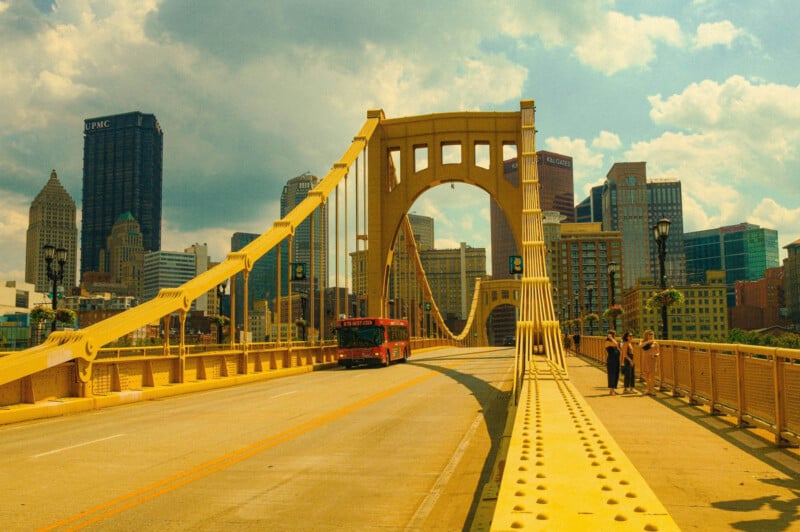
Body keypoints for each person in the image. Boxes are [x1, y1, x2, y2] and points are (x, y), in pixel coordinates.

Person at [640, 329, 660, 395]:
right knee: (646, 376)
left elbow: (658, 352)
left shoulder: (655, 343)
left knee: (652, 376)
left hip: (652, 360)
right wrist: (648, 342)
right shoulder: (642, 341)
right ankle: (649, 390)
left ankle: (652, 391)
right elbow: (640, 346)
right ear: (646, 335)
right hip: (645, 360)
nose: (651, 335)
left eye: (652, 334)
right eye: (650, 334)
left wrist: (656, 355)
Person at [604, 330, 620, 395]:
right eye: (614, 335)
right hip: (611, 360)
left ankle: (613, 389)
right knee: (612, 374)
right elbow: (616, 344)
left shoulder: (613, 341)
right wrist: (611, 338)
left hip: (616, 359)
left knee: (616, 374)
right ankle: (611, 390)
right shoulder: (607, 342)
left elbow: (618, 346)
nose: (615, 336)